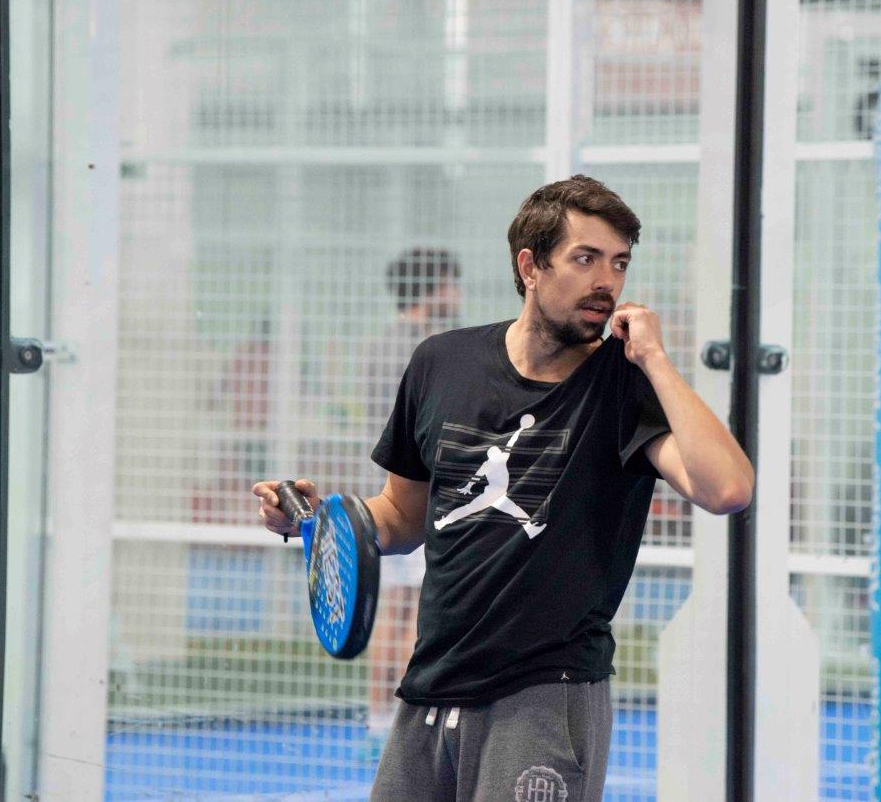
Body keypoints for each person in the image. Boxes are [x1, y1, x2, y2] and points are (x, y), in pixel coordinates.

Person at [254, 175, 753, 801]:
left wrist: (655, 360)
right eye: (586, 259)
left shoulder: (623, 386)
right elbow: (401, 518)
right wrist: (318, 522)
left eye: (619, 263)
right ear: (530, 266)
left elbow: (727, 488)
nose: (607, 281)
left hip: (545, 696)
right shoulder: (441, 362)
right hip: (429, 690)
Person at [359, 247, 462, 753]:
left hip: (385, 483)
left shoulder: (379, 345)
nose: (457, 294)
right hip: (416, 491)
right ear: (433, 285)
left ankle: (379, 720)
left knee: (393, 608)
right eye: (452, 283)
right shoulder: (428, 348)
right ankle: (406, 728)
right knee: (417, 610)